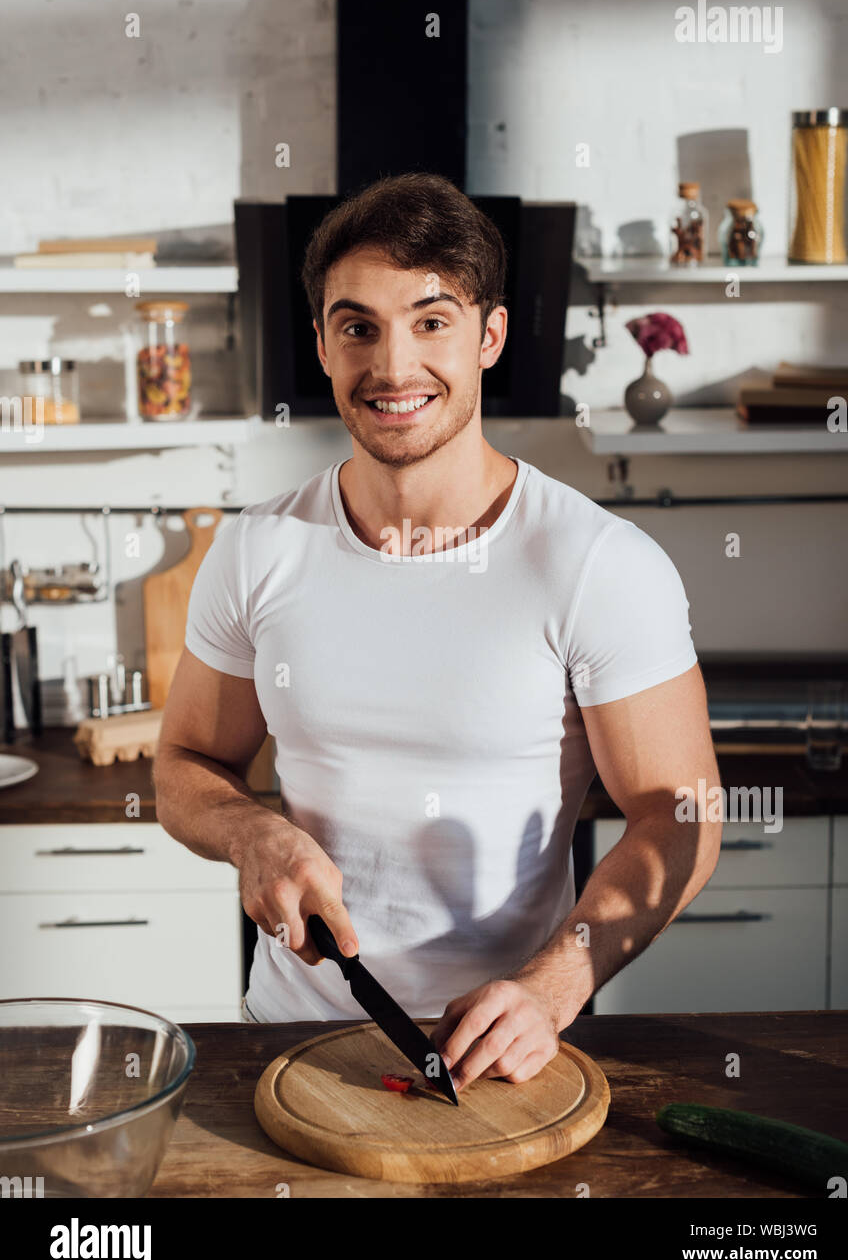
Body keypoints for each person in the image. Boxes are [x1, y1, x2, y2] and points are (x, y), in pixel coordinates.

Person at [154, 172, 721, 1094]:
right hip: (289, 1041)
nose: (392, 367)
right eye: (357, 327)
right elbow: (184, 763)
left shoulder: (595, 562)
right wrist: (249, 832)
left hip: (505, 1054)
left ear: (488, 335)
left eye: (430, 321)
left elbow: (681, 813)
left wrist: (558, 981)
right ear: (322, 345)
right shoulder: (256, 548)